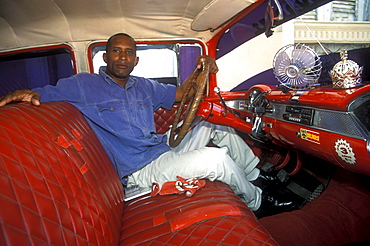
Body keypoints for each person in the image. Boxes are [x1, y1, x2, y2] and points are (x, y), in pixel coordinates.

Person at [0, 33, 262, 210]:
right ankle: (257, 202)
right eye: (116, 51)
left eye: (129, 53)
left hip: (163, 148)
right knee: (215, 159)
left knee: (215, 124)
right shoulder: (83, 85)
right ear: (105, 57)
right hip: (138, 170)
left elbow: (183, 94)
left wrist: (202, 68)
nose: (123, 57)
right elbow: (43, 94)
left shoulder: (143, 86)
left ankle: (255, 177)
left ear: (136, 60)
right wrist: (24, 93)